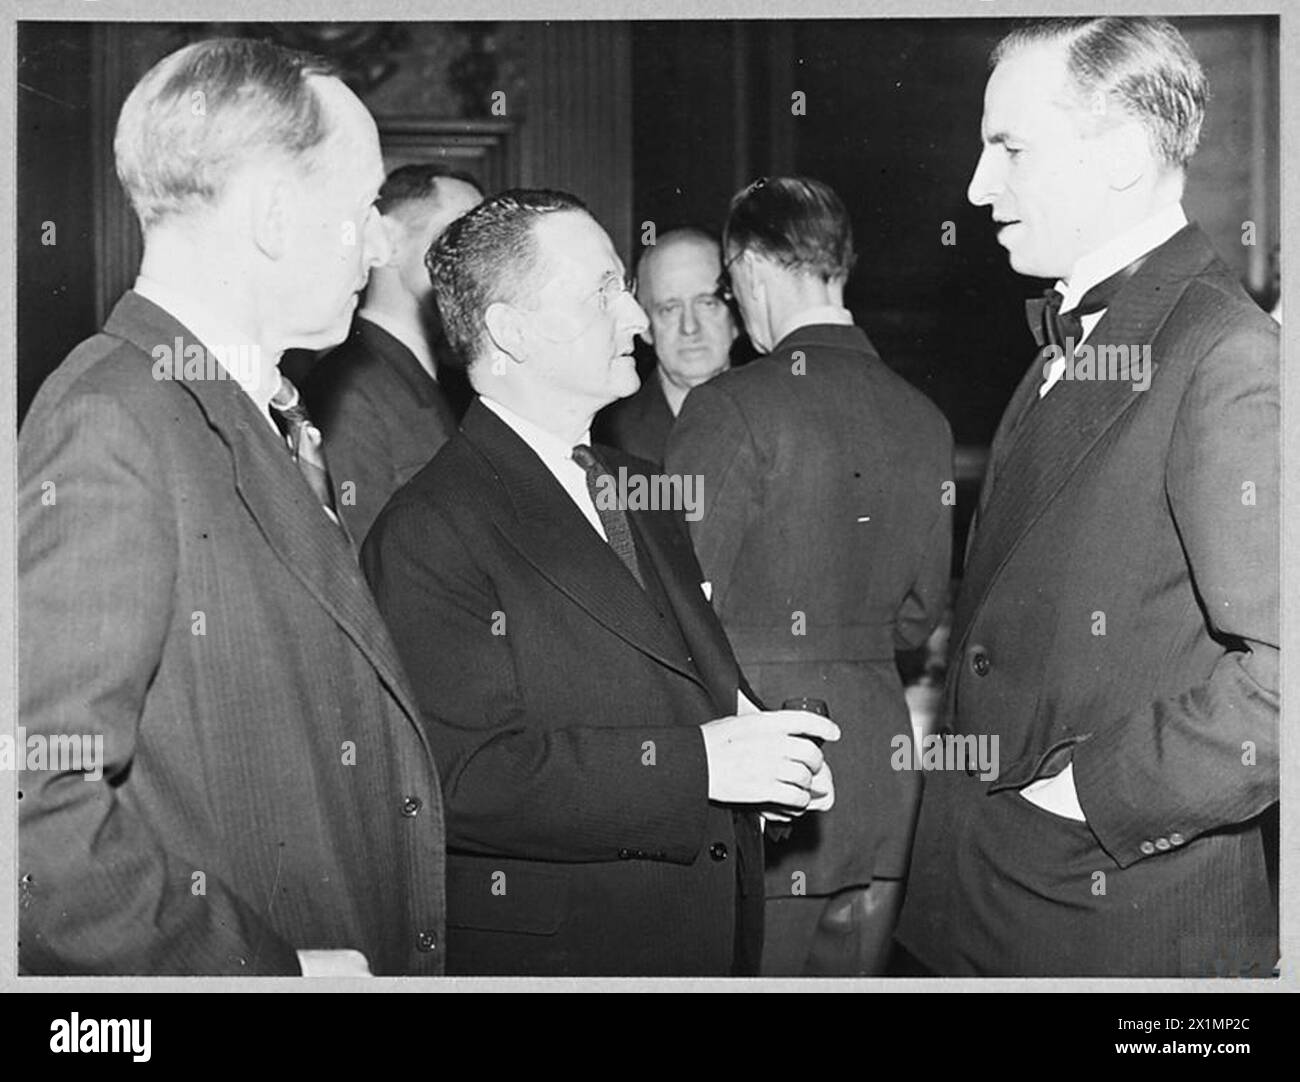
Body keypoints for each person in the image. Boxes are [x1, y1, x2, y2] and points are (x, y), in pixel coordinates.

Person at [18, 38, 447, 976]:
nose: (381, 244)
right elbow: (30, 806)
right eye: (365, 205)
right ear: (275, 213)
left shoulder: (258, 414)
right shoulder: (114, 416)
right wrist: (264, 975)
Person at [361, 189, 839, 976]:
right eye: (604, 294)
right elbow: (465, 777)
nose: (638, 320)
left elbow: (680, 682)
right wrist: (707, 767)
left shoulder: (635, 483)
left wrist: (764, 758)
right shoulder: (429, 527)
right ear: (510, 331)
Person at [895, 16, 1279, 976]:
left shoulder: (1226, 355)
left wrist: (1083, 795)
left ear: (1119, 155)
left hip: (1109, 922)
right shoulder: (1077, 335)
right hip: (995, 903)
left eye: (1009, 148)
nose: (978, 188)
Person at [666, 176, 953, 975]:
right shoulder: (923, 417)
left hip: (768, 770)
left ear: (751, 268)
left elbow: (677, 613)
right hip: (879, 779)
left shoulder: (728, 408)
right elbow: (916, 619)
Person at [306, 164, 484, 540]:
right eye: (458, 238)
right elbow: (361, 563)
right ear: (387, 241)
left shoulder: (454, 383)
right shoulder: (349, 391)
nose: (479, 266)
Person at [593, 228, 737, 463]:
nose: (689, 327)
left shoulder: (776, 413)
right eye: (670, 309)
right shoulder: (607, 439)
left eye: (707, 304)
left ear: (736, 318)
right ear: (645, 326)